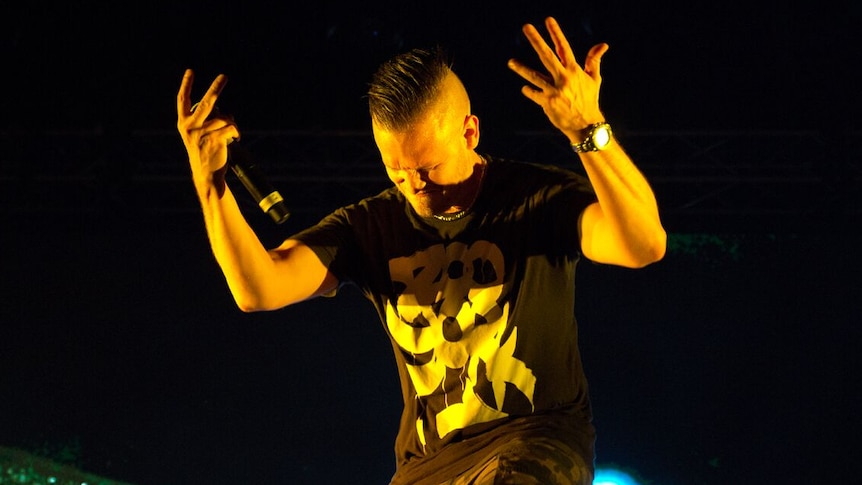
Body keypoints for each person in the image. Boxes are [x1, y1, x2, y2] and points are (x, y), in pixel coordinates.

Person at [176, 16, 666, 485]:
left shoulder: (536, 199)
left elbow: (644, 245)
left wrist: (588, 130)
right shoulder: (368, 226)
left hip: (535, 440)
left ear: (469, 133)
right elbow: (257, 289)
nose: (414, 185)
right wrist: (210, 184)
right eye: (396, 170)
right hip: (428, 466)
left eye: (427, 167)